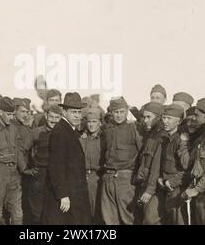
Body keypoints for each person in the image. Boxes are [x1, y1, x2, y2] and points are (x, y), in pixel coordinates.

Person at [41, 92, 91, 225]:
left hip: (73, 192)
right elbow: (56, 166)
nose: (77, 115)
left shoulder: (69, 130)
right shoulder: (60, 131)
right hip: (66, 195)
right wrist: (63, 195)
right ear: (64, 111)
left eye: (79, 112)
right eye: (73, 112)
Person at [101, 96, 143, 225]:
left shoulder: (134, 128)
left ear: (126, 111)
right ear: (111, 113)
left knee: (128, 217)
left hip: (126, 178)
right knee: (109, 218)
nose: (118, 115)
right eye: (115, 112)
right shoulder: (108, 129)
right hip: (108, 177)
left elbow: (142, 153)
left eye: (121, 112)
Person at [0, 97, 25, 225]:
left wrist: (24, 169)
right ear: (1, 112)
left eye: (13, 115)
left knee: (17, 212)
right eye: (8, 114)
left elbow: (18, 151)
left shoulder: (14, 129)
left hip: (13, 173)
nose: (11, 118)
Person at [158, 104, 191, 225]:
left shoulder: (181, 140)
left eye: (169, 118)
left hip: (177, 189)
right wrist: (162, 178)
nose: (165, 121)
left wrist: (171, 182)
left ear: (179, 121)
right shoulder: (167, 139)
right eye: (164, 118)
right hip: (167, 188)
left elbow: (188, 169)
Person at [135, 102, 166, 225]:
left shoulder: (161, 137)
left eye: (149, 117)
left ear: (158, 118)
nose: (145, 120)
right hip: (145, 184)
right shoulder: (150, 136)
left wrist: (149, 190)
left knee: (151, 221)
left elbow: (156, 167)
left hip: (155, 189)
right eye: (144, 117)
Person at [79, 107, 105, 224]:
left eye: (94, 122)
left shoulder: (104, 139)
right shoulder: (82, 138)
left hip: (97, 178)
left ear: (100, 122)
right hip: (83, 177)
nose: (91, 125)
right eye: (89, 122)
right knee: (84, 212)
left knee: (98, 211)